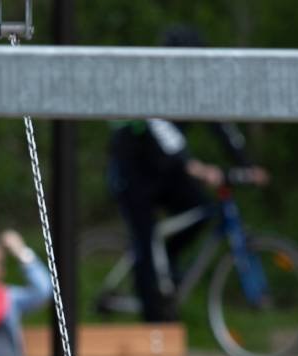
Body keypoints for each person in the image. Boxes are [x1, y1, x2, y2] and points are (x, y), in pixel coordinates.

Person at [105, 25, 268, 322]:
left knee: (202, 209)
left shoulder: (196, 87)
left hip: (166, 170)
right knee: (145, 237)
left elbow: (222, 126)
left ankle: (165, 264)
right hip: (134, 171)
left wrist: (248, 165)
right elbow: (160, 128)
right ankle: (152, 312)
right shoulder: (150, 82)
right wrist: (192, 164)